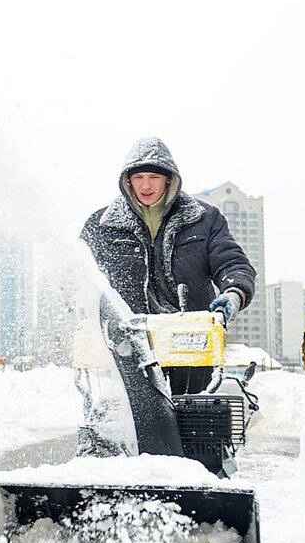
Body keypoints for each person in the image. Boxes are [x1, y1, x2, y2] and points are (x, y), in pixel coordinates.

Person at [81, 136, 256, 395]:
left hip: (190, 338)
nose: (146, 185)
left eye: (153, 177)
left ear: (169, 179)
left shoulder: (204, 219)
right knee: (138, 418)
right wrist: (84, 307)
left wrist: (233, 293)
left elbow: (231, 261)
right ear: (128, 181)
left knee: (192, 417)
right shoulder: (102, 225)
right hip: (130, 340)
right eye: (139, 178)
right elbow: (78, 277)